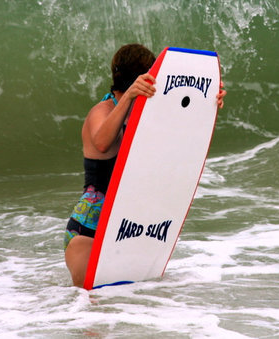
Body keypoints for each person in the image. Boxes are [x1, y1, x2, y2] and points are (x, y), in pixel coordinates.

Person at [64, 44, 226, 287]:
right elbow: (101, 143)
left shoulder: (151, 114)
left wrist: (209, 102)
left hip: (128, 227)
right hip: (88, 232)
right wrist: (129, 96)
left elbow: (182, 143)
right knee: (91, 303)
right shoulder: (103, 110)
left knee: (128, 305)